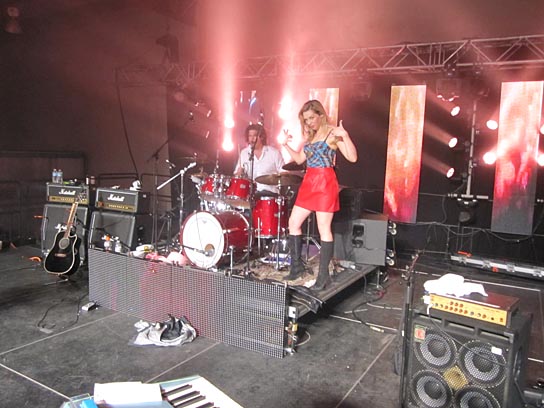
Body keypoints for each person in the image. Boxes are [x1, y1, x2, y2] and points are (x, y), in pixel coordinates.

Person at [281, 100, 358, 290]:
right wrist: (286, 145)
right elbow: (300, 158)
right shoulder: (311, 136)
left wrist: (345, 136)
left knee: (324, 228)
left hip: (325, 182)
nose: (309, 122)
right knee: (293, 223)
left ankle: (324, 277)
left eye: (311, 118)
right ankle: (297, 267)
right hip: (309, 181)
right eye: (306, 120)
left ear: (320, 115)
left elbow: (353, 157)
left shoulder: (333, 133)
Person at [234, 124, 285, 195]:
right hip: (250, 194)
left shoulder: (274, 153)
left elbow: (285, 173)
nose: (252, 139)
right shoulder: (244, 153)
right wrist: (239, 173)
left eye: (255, 136)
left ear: (262, 137)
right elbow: (236, 175)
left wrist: (274, 178)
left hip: (270, 193)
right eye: (250, 136)